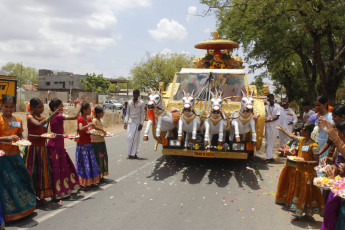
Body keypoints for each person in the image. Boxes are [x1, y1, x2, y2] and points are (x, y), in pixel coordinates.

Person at [0, 95, 36, 221]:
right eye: (6, 106)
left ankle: (25, 209)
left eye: (11, 107)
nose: (8, 109)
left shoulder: (18, 120)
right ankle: (9, 214)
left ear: (15, 107)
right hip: (2, 159)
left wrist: (21, 139)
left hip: (15, 157)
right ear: (1, 105)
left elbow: (20, 134)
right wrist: (6, 138)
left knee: (22, 180)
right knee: (6, 186)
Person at [277, 122, 324, 219]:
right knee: (298, 193)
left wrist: (304, 163)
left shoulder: (314, 146)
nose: (301, 131)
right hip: (299, 172)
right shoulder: (302, 140)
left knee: (307, 193)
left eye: (304, 129)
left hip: (308, 174)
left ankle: (306, 213)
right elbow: (291, 135)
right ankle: (299, 214)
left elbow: (316, 162)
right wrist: (283, 129)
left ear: (309, 132)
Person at [24, 98, 63, 203]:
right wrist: (53, 115)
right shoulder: (30, 117)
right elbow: (38, 124)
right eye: (39, 107)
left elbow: (44, 131)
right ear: (32, 108)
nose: (41, 109)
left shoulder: (44, 118)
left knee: (42, 173)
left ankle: (40, 196)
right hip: (33, 148)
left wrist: (48, 136)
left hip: (42, 148)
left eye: (42, 107)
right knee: (32, 172)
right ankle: (31, 197)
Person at [47, 96, 86, 199]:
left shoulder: (54, 115)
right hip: (56, 144)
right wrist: (80, 103)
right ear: (55, 108)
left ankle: (62, 189)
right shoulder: (58, 116)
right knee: (58, 168)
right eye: (61, 106)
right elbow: (75, 116)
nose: (63, 107)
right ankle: (58, 191)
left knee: (62, 167)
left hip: (58, 142)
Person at [318, 118, 345, 230]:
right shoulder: (338, 147)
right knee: (330, 213)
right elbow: (335, 160)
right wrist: (328, 161)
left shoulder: (340, 144)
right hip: (337, 184)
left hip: (341, 188)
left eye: (337, 132)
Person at [275, 125, 302, 206]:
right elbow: (280, 148)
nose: (292, 133)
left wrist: (287, 150)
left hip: (295, 167)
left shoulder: (300, 142)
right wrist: (286, 149)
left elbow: (294, 153)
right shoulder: (291, 142)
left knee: (293, 185)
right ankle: (284, 199)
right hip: (288, 165)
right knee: (286, 182)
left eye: (294, 132)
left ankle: (292, 201)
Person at [76, 103, 99, 188]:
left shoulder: (88, 118)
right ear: (84, 110)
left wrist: (101, 130)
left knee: (90, 162)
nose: (90, 110)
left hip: (88, 143)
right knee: (84, 163)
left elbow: (92, 128)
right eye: (89, 109)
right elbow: (81, 129)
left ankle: (91, 181)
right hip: (82, 144)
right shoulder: (80, 118)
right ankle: (83, 182)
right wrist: (89, 125)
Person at [315, 96, 334, 175]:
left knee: (325, 166)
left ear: (325, 104)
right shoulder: (315, 116)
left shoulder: (331, 117)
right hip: (317, 143)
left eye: (319, 105)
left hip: (327, 145)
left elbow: (333, 132)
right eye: (316, 105)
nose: (317, 107)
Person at [124, 89, 145, 159]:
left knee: (135, 138)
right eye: (134, 94)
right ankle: (131, 152)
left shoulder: (141, 103)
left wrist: (141, 124)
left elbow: (142, 114)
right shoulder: (129, 102)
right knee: (129, 138)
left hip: (137, 123)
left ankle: (132, 154)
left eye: (136, 94)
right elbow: (127, 113)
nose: (135, 96)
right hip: (130, 122)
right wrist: (125, 122)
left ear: (138, 95)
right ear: (132, 95)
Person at [91, 106, 109, 182]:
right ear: (98, 114)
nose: (103, 113)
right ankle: (97, 176)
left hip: (102, 140)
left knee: (103, 157)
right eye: (102, 112)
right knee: (98, 158)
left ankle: (102, 174)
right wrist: (101, 130)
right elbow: (93, 128)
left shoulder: (100, 120)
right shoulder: (94, 120)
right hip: (96, 141)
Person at [264, 94, 281, 163]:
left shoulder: (278, 107)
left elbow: (277, 116)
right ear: (267, 100)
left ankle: (270, 157)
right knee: (268, 141)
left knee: (272, 141)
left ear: (273, 98)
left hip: (274, 126)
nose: (270, 100)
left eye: (272, 98)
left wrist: (268, 120)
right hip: (267, 126)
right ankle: (268, 157)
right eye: (269, 99)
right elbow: (263, 115)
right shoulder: (265, 107)